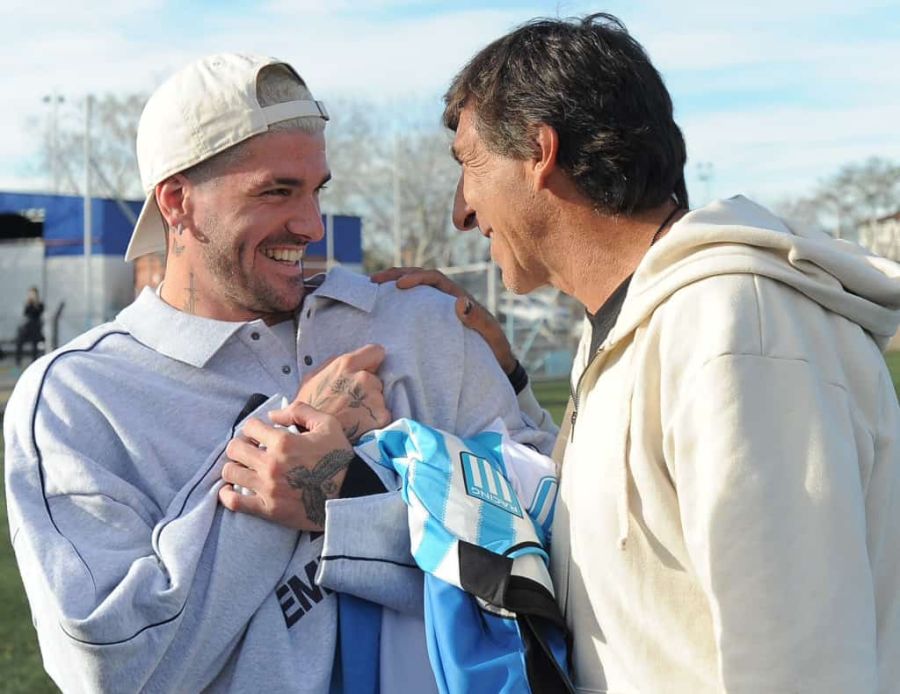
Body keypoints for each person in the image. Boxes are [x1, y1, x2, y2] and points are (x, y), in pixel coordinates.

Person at [4, 53, 556, 693]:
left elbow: (555, 537)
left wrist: (343, 495)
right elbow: (115, 669)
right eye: (276, 191)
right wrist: (286, 443)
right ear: (178, 203)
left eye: (316, 189)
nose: (312, 225)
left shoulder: (418, 326)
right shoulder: (77, 400)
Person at [388, 13, 900, 692]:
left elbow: (799, 665)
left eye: (468, 165)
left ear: (540, 152)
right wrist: (510, 376)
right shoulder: (640, 325)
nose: (461, 210)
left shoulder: (738, 327)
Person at [14, 285, 44, 365]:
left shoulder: (40, 304)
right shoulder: (27, 303)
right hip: (27, 329)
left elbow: (38, 312)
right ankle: (18, 361)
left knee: (35, 343)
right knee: (19, 342)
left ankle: (34, 361)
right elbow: (26, 313)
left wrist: (35, 304)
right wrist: (29, 303)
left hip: (35, 328)